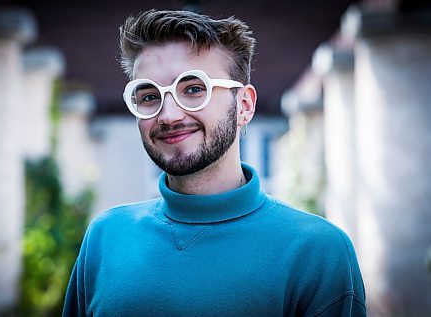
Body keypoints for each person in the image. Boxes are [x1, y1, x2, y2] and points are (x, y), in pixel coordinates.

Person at [63, 9, 366, 316]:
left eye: (194, 89)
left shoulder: (318, 252)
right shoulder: (105, 237)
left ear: (244, 105)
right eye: (150, 96)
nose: (168, 115)